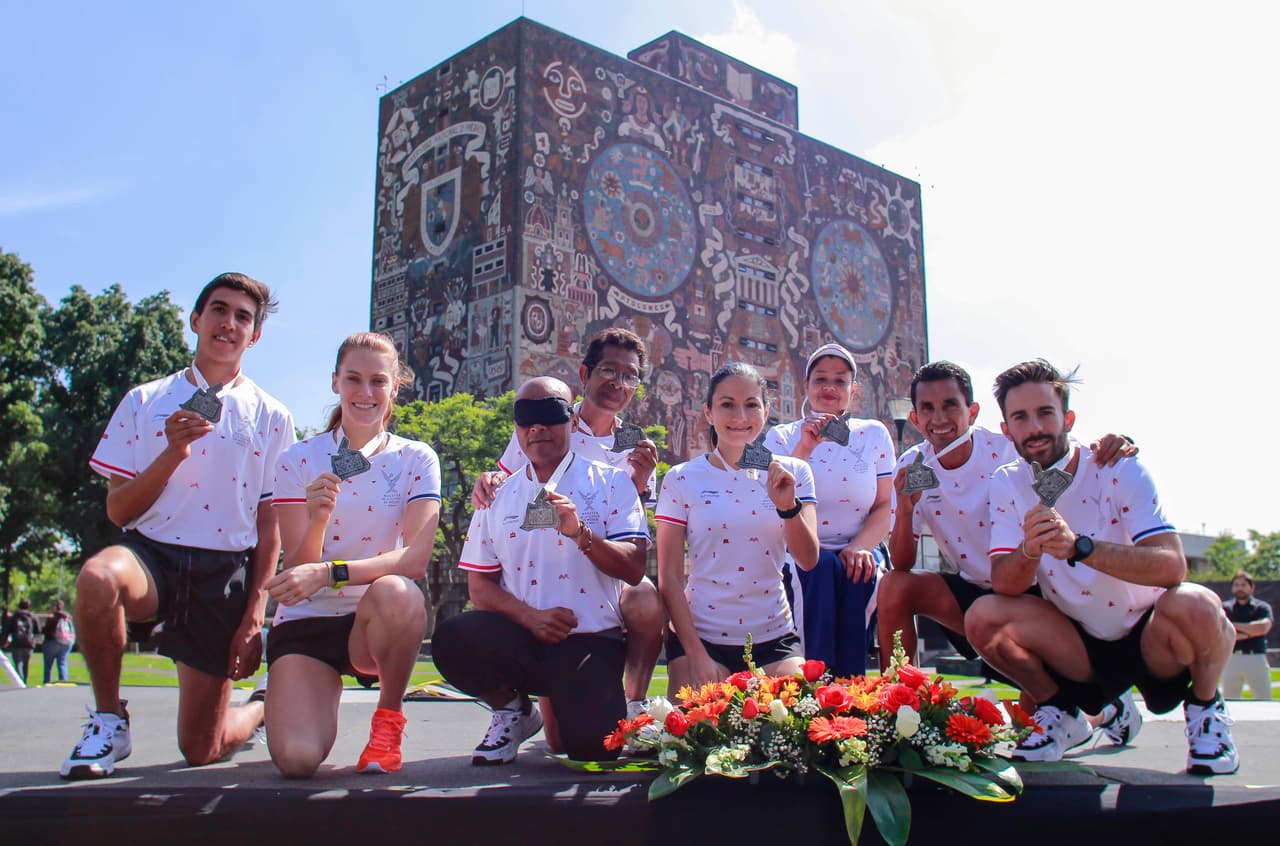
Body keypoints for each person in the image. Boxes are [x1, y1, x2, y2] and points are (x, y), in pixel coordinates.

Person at [61, 272, 295, 779]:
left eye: (242, 317)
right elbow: (119, 512)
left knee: (201, 749)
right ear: (196, 320)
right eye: (218, 309)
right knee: (98, 578)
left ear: (254, 336)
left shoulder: (273, 416)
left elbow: (269, 522)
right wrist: (173, 452)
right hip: (152, 556)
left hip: (222, 570)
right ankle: (107, 719)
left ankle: (259, 708)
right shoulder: (144, 400)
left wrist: (256, 615)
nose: (228, 323)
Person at [967, 359, 1239, 774]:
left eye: (1045, 413)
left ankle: (1205, 710)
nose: (1034, 427)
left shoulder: (1117, 465)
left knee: (1197, 604)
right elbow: (1005, 582)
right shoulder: (1007, 481)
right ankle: (1062, 710)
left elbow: (1172, 566)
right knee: (983, 616)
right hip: (1079, 644)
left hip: (1151, 635)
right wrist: (1030, 549)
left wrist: (1080, 547)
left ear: (1068, 418)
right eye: (1020, 417)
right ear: (1006, 429)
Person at [878, 361, 1140, 746]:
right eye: (928, 409)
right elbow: (901, 562)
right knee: (894, 586)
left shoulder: (1006, 451)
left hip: (1032, 595)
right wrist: (904, 504)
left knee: (1030, 728)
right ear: (915, 419)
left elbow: (1072, 459)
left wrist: (1114, 444)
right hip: (972, 593)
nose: (940, 419)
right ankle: (900, 715)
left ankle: (1103, 708)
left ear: (972, 411)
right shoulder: (911, 465)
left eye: (951, 405)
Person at [434, 377, 648, 764]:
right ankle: (513, 710)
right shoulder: (497, 495)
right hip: (524, 636)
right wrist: (530, 618)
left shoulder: (612, 482)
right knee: (452, 639)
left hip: (588, 639)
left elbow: (634, 568)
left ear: (572, 419)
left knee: (591, 752)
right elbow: (479, 586)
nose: (537, 427)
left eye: (550, 413)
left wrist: (581, 534)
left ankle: (608, 705)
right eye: (525, 416)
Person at [263, 332, 440, 777]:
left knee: (400, 593)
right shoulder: (297, 459)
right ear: (335, 383)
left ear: (395, 386)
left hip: (374, 623)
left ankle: (387, 721)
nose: (365, 393)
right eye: (354, 379)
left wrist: (330, 572)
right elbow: (294, 575)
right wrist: (318, 519)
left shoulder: (416, 458)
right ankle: (267, 707)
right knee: (298, 760)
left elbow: (414, 560)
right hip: (307, 624)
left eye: (378, 381)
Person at [472, 328, 663, 722]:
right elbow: (508, 478)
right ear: (585, 374)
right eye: (609, 371)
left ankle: (634, 702)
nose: (618, 383)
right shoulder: (549, 416)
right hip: (540, 568)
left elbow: (637, 529)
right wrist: (488, 479)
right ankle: (526, 709)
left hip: (600, 568)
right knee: (561, 738)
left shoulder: (636, 443)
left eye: (630, 377)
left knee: (644, 596)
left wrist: (641, 486)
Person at [657, 362, 820, 692]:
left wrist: (787, 507)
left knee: (794, 730)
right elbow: (669, 577)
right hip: (701, 638)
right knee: (693, 738)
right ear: (708, 412)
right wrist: (697, 655)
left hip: (774, 638)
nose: (740, 417)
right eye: (727, 405)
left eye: (751, 405)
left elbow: (808, 560)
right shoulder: (681, 478)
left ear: (767, 410)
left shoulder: (794, 472)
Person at [763, 343, 891, 677]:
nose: (829, 388)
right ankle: (814, 683)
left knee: (856, 573)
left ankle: (851, 686)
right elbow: (775, 497)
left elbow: (884, 505)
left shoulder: (873, 434)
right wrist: (804, 447)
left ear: (853, 390)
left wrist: (862, 546)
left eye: (839, 381)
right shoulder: (781, 437)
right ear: (806, 386)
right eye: (821, 380)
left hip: (858, 544)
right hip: (801, 546)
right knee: (818, 568)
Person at [1220, 570, 1273, 700]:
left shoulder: (1261, 608)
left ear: (1251, 587)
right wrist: (1250, 631)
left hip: (1255, 657)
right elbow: (1220, 630)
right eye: (1236, 585)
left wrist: (1233, 626)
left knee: (1264, 699)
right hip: (1230, 658)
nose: (1240, 588)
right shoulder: (1225, 608)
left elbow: (1262, 628)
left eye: (1243, 585)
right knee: (1229, 700)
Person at [3, 598, 39, 684]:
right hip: (28, 643)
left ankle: (19, 682)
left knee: (18, 663)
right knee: (26, 664)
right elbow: (38, 631)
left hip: (17, 643)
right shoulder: (32, 617)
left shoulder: (14, 616)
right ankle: (25, 681)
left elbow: (7, 630)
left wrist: (5, 641)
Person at [42, 599, 76, 684]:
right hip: (66, 642)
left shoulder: (53, 617)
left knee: (48, 665)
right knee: (62, 663)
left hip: (52, 642)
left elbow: (47, 630)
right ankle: (63, 681)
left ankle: (47, 682)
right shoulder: (67, 617)